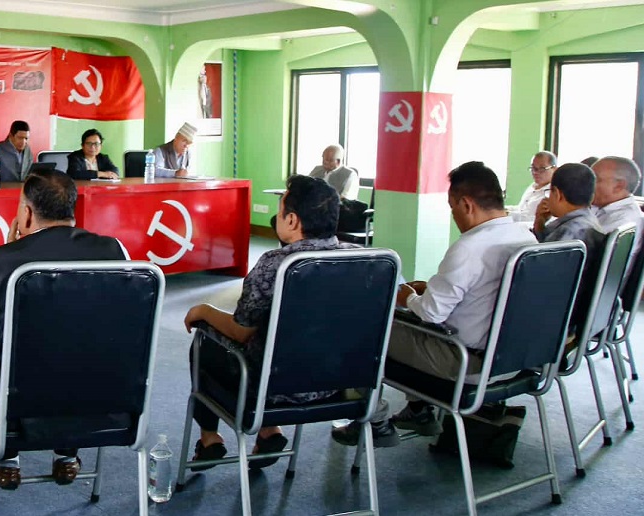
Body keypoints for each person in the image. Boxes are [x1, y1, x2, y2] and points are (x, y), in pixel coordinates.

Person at [331, 162, 538, 447]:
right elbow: (483, 295)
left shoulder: (470, 247)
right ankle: (418, 410)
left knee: (359, 329)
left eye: (452, 207)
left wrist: (406, 295)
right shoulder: (525, 237)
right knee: (411, 323)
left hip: (464, 362)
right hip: (512, 359)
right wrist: (430, 290)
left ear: (466, 204)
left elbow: (431, 313)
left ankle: (374, 421)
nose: (454, 216)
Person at [0, 170, 129, 490]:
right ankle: (67, 452)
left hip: (22, 405)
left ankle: (6, 455)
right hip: (105, 401)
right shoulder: (115, 250)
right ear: (71, 210)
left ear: (26, 213)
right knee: (82, 342)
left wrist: (8, 255)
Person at [182, 175, 358, 470]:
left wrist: (204, 310)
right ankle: (269, 432)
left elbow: (240, 331)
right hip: (336, 384)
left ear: (292, 220)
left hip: (272, 387)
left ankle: (210, 439)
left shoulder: (275, 265)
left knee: (205, 343)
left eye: (279, 210)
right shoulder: (365, 259)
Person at [534, 163, 604, 310]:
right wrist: (539, 223)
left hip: (557, 310)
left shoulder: (569, 233)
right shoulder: (588, 221)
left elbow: (540, 276)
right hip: (577, 305)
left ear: (557, 194)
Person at [592, 156, 644, 264]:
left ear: (619, 186)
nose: (587, 185)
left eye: (595, 179)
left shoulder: (622, 219)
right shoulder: (603, 207)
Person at [511, 151, 556, 223]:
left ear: (554, 169)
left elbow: (536, 220)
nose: (535, 172)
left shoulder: (553, 193)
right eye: (533, 168)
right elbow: (521, 209)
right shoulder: (533, 186)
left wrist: (508, 215)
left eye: (542, 169)